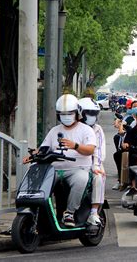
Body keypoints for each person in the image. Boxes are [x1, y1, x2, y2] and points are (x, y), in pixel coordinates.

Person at [24, 94, 97, 227]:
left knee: (81, 179)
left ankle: (69, 213)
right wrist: (33, 155)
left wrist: (75, 145)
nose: (66, 116)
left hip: (77, 169)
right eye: (62, 114)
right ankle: (34, 212)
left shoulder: (86, 130)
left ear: (77, 113)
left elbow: (90, 150)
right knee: (37, 180)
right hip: (54, 169)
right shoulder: (54, 131)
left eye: (69, 113)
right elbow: (44, 148)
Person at [78, 97, 106, 225]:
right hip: (71, 163)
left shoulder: (97, 129)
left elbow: (99, 151)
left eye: (95, 114)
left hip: (92, 163)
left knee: (98, 177)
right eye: (90, 113)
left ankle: (94, 212)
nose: (92, 116)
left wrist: (96, 166)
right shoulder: (73, 127)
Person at [111, 100, 137, 190]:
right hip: (132, 146)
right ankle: (122, 180)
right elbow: (122, 130)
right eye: (134, 106)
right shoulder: (130, 121)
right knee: (119, 155)